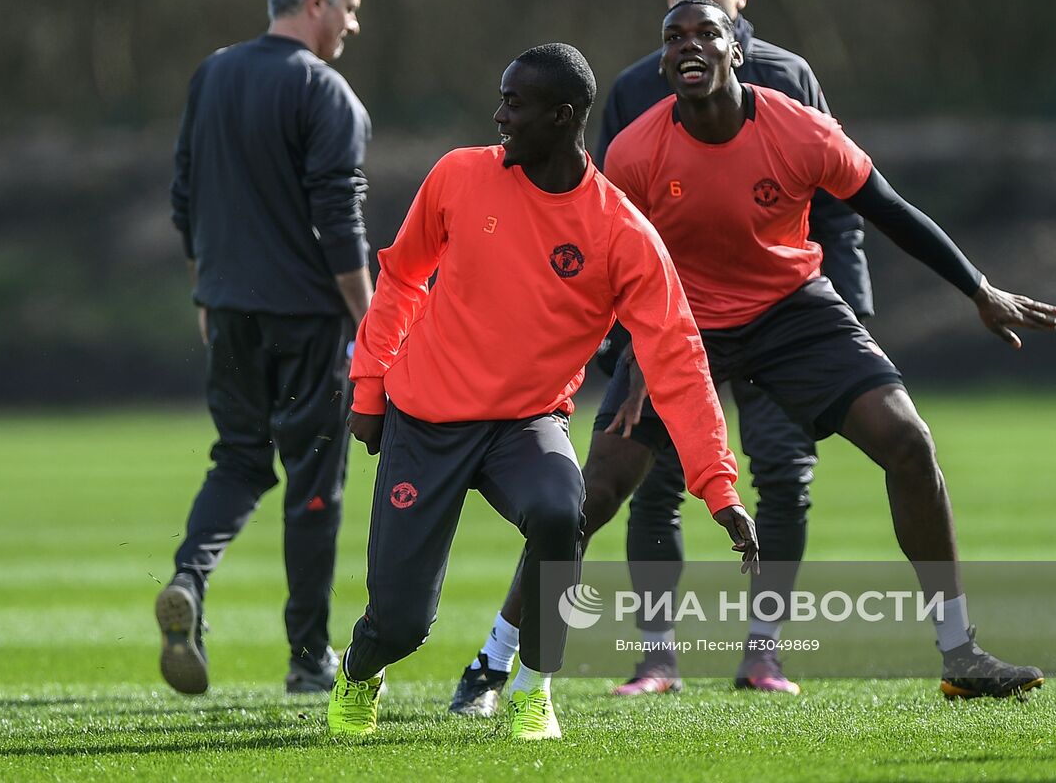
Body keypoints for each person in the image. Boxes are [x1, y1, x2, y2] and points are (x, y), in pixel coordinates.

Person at [467, 0, 1056, 708]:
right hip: (678, 322)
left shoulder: (799, 129)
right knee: (588, 498)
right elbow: (608, 263)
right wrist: (628, 353)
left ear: (736, 52)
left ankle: (959, 651)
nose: (688, 45)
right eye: (673, 37)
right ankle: (491, 662)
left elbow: (889, 210)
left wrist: (977, 288)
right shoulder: (634, 151)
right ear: (664, 65)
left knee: (908, 442)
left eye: (705, 33)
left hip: (792, 312)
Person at [451, 0, 872, 710]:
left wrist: (848, 307)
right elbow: (606, 223)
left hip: (783, 317)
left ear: (739, 0)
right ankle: (654, 658)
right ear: (666, 4)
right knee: (633, 488)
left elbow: (841, 205)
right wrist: (617, 343)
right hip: (672, 330)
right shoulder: (636, 92)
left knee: (781, 480)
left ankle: (762, 653)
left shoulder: (789, 81)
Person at [325, 43, 758, 742]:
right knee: (401, 624)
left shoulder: (621, 233)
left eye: (513, 104)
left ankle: (532, 689)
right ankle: (361, 672)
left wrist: (718, 486)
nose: (498, 116)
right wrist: (370, 389)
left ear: (561, 118)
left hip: (523, 425)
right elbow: (402, 278)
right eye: (500, 99)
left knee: (564, 512)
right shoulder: (458, 176)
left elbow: (677, 361)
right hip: (425, 419)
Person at [160, 0, 374, 696]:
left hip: (229, 312)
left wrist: (205, 293)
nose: (352, 23)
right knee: (315, 482)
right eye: (349, 4)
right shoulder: (327, 95)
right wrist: (372, 321)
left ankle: (190, 576)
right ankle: (309, 658)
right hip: (309, 324)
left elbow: (184, 198)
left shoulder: (212, 74)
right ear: (315, 1)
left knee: (240, 462)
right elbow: (338, 222)